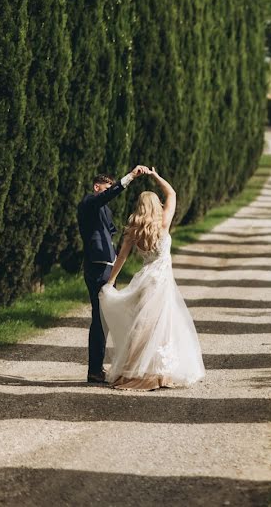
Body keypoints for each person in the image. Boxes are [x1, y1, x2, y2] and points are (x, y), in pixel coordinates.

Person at [99, 167, 205, 391]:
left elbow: (122, 259)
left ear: (139, 207)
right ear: (156, 206)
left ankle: (138, 369)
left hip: (145, 280)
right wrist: (156, 176)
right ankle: (156, 374)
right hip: (162, 282)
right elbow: (173, 194)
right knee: (161, 326)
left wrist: (110, 283)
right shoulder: (163, 223)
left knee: (143, 326)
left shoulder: (134, 230)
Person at [78, 165, 149, 383]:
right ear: (97, 187)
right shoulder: (89, 201)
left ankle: (99, 367)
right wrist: (129, 177)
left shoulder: (104, 210)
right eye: (106, 188)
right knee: (100, 318)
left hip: (107, 265)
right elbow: (107, 196)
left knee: (104, 318)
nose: (108, 192)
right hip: (97, 266)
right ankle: (94, 370)